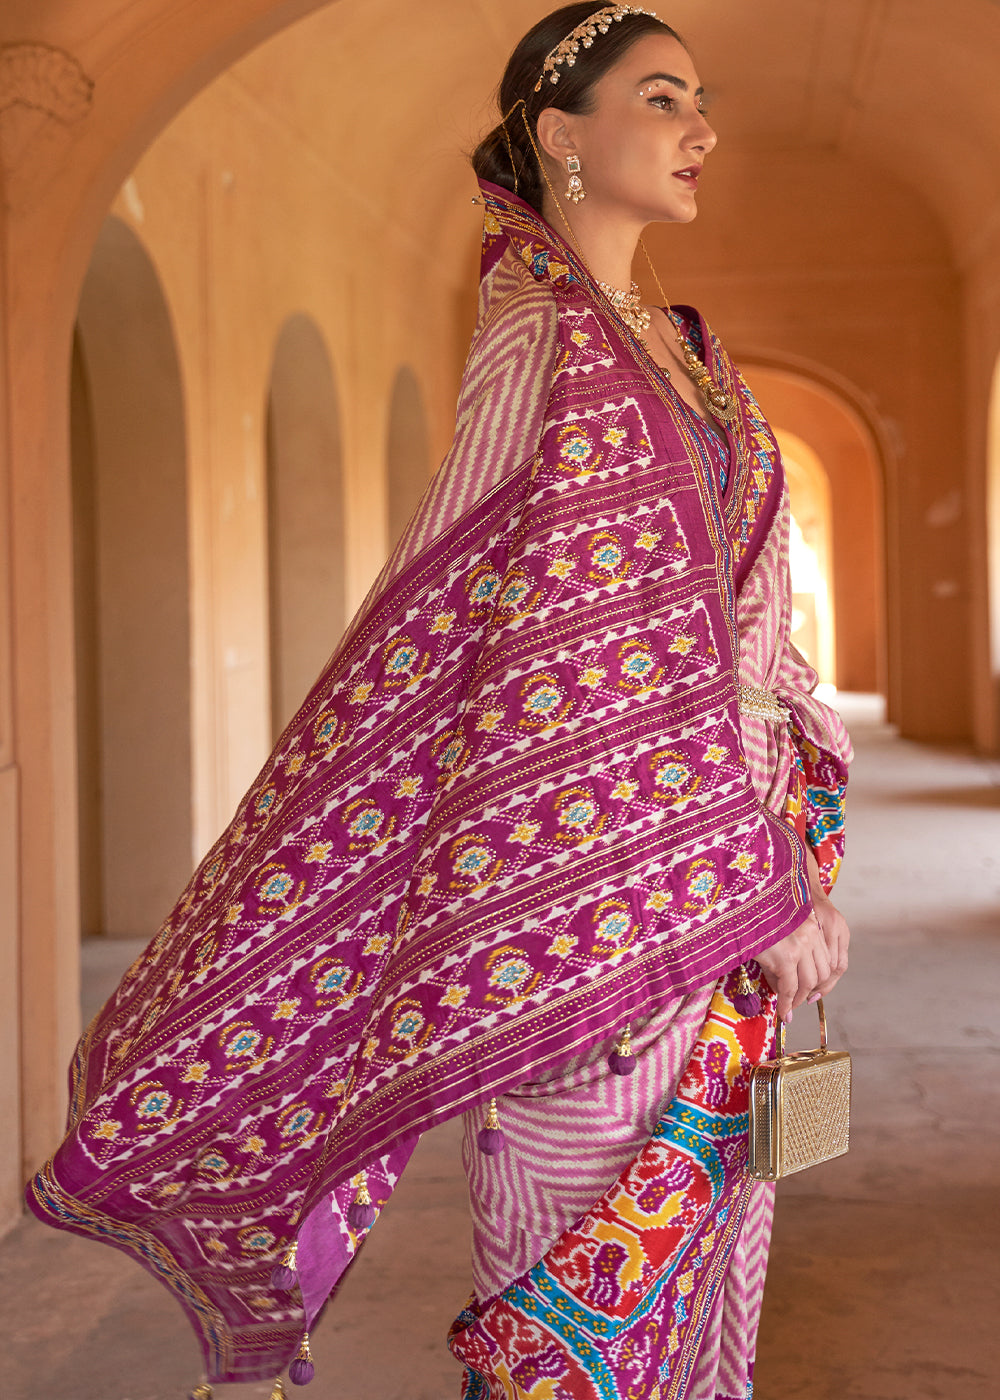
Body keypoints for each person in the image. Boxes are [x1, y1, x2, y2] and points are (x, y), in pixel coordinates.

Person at [27, 5, 851, 1397]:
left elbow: (756, 640)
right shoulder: (540, 352)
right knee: (577, 1318)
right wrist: (746, 877)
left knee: (713, 1309)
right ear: (558, 136)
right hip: (595, 921)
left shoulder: (696, 361)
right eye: (662, 98)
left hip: (745, 886)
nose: (702, 125)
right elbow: (514, 662)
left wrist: (791, 851)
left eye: (699, 98)